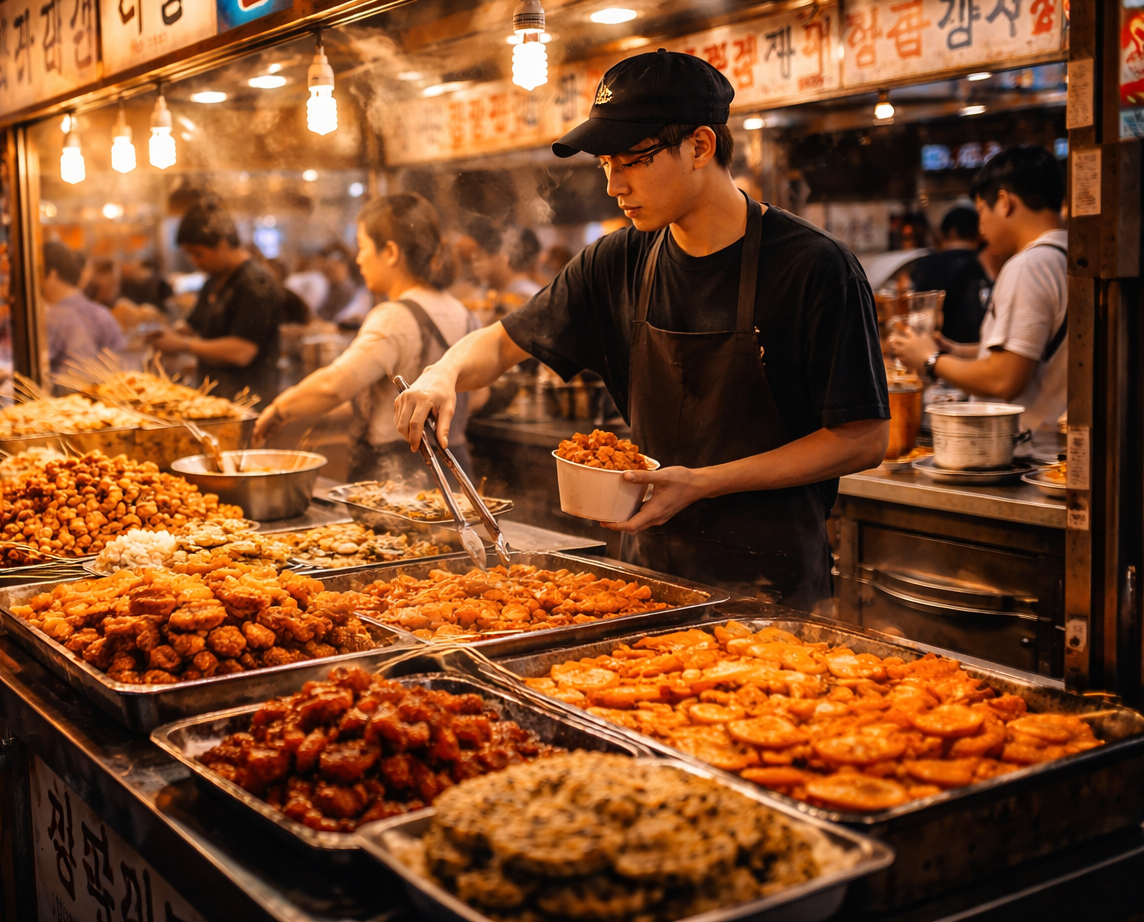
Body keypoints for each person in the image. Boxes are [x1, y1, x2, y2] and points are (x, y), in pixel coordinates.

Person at [394, 51, 890, 609]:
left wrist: (704, 481)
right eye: (604, 164)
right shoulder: (617, 260)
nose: (613, 185)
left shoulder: (814, 266)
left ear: (700, 146)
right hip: (645, 579)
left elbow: (864, 439)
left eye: (631, 160)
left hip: (772, 587)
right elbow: (502, 343)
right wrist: (443, 374)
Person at [254, 194, 480, 481]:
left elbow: (334, 386)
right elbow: (478, 395)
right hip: (455, 469)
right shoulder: (463, 312)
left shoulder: (395, 316)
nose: (359, 259)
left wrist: (279, 409)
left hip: (400, 476)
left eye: (362, 247)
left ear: (390, 252)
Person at [889, 146, 1068, 459]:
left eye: (981, 211)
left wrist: (931, 360)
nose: (981, 227)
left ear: (1004, 202)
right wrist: (956, 351)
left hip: (1024, 454)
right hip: (1051, 452)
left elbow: (1004, 379)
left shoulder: (1029, 265)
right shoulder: (1067, 256)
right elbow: (1032, 350)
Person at [148, 196, 283, 403]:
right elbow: (192, 324)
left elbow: (242, 351)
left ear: (222, 243)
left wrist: (183, 345)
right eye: (189, 255)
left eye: (198, 254)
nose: (194, 261)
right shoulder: (214, 279)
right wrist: (165, 335)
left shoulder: (255, 282)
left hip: (249, 403)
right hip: (215, 398)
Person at [908, 206, 992, 344]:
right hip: (974, 352)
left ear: (950, 232)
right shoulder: (983, 263)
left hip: (932, 346)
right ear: (978, 233)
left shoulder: (926, 263)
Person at [42, 241, 125, 378]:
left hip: (62, 398)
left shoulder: (52, 318)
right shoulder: (103, 313)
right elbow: (121, 363)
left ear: (51, 274)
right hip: (107, 395)